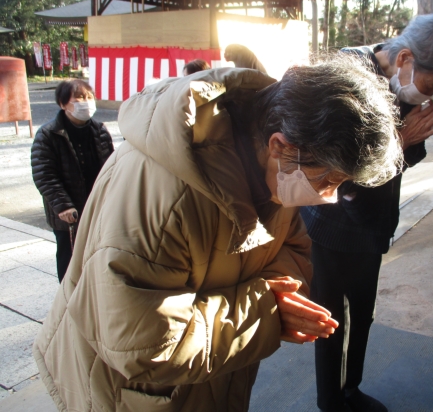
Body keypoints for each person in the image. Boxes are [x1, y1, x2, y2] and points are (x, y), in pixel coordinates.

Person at [33, 58, 403, 412]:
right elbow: (143, 343)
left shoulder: (277, 164)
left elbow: (293, 248)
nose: (329, 196)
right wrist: (266, 313)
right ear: (280, 146)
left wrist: (275, 296)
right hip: (129, 392)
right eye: (327, 180)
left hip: (211, 375)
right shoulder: (169, 197)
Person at [300, 14, 433, 412]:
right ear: (405, 59)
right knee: (332, 320)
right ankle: (331, 401)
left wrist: (415, 137)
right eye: (431, 86)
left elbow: (399, 164)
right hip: (333, 223)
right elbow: (337, 172)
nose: (429, 95)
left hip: (373, 224)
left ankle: (351, 389)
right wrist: (402, 138)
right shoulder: (346, 77)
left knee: (363, 313)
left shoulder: (401, 84)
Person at [31, 80, 113, 282]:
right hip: (68, 212)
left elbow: (112, 167)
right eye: (79, 97)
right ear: (62, 103)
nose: (86, 102)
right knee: (69, 256)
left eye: (89, 97)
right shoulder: (48, 134)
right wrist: (63, 205)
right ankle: (68, 296)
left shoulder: (100, 130)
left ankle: (93, 293)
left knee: (98, 253)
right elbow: (44, 174)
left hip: (97, 206)